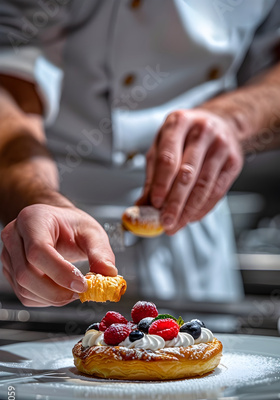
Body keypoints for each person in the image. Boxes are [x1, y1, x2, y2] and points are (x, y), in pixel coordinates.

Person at [0, 0, 279, 308]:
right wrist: (35, 197)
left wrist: (235, 119)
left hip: (191, 238)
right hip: (48, 222)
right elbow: (9, 77)